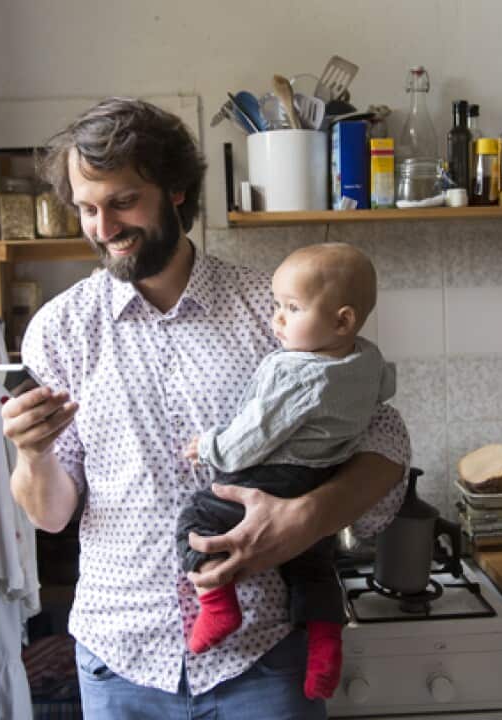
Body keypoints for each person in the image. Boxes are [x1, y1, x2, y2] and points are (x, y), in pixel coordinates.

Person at [2, 97, 410, 720]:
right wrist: (31, 453)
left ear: (179, 192)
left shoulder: (272, 310)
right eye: (87, 208)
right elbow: (52, 514)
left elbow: (388, 438)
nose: (103, 227)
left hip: (263, 654)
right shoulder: (60, 331)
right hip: (121, 659)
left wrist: (306, 517)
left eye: (122, 201)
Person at [178, 243, 395, 702]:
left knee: (197, 517)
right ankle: (325, 643)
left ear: (342, 320)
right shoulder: (368, 359)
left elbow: (256, 432)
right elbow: (384, 394)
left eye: (291, 309)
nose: (277, 319)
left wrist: (211, 448)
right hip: (322, 475)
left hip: (277, 476)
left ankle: (217, 604)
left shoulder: (297, 374)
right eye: (278, 306)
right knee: (311, 565)